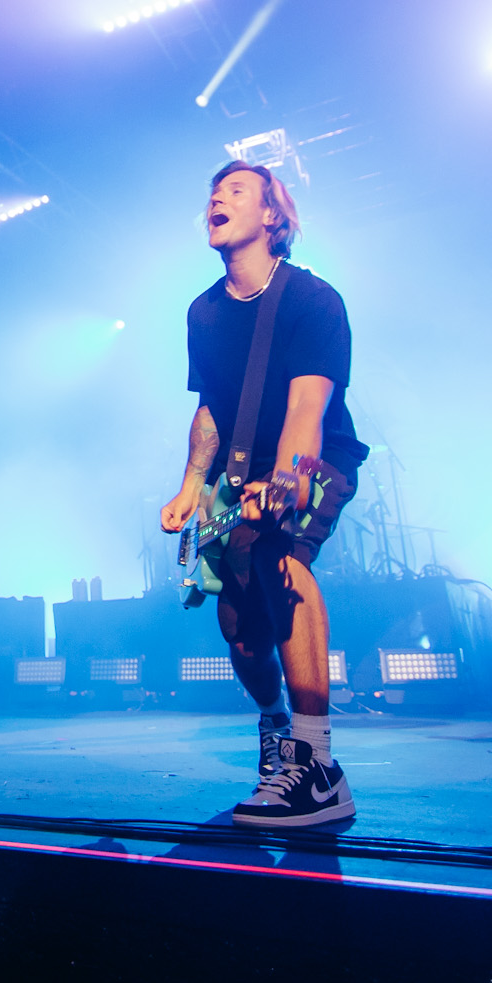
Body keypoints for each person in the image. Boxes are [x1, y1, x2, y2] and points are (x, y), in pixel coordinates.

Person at [160, 162, 367, 828]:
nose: (215, 195)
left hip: (316, 458)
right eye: (211, 189)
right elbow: (212, 410)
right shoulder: (203, 311)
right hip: (241, 473)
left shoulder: (312, 300)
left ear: (272, 216)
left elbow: (308, 406)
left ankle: (317, 766)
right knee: (242, 634)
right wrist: (193, 485)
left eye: (235, 189)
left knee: (282, 557)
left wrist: (286, 479)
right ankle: (276, 729)